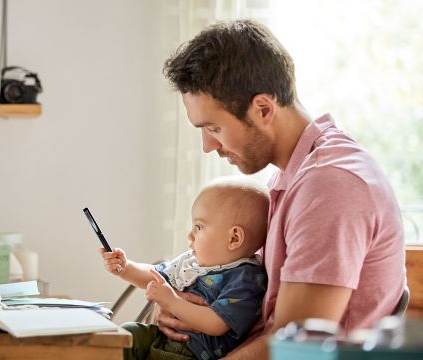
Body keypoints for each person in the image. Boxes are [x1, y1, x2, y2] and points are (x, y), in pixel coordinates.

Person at [159, 19, 406, 359]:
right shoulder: (292, 177)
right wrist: (190, 311)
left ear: (263, 108)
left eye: (214, 127)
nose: (207, 146)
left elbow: (295, 350)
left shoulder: (330, 185)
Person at [101, 177, 270, 360]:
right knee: (127, 333)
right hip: (163, 339)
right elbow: (155, 275)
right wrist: (126, 267)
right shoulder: (193, 260)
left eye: (199, 226)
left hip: (193, 354)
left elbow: (217, 323)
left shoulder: (247, 278)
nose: (190, 234)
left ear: (234, 238)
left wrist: (172, 301)